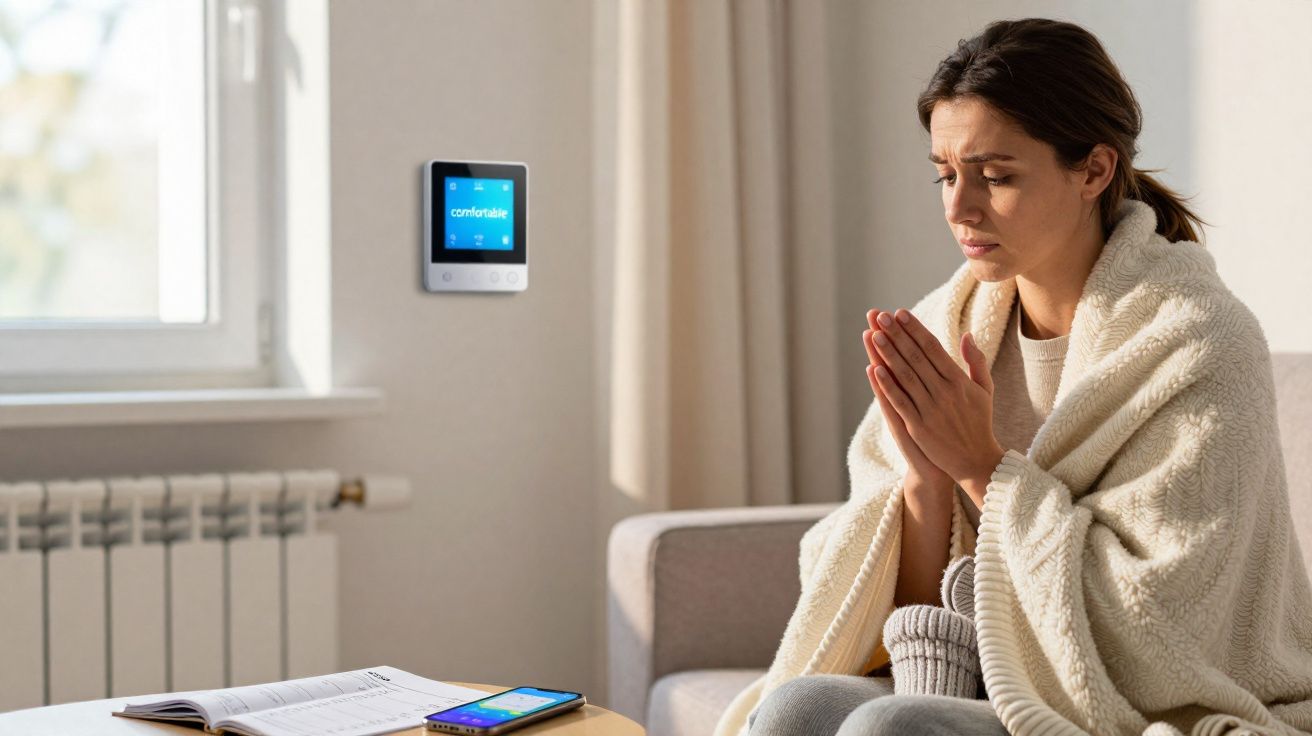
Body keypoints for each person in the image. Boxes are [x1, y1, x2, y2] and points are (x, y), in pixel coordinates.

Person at [717, 17, 1312, 736]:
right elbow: (904, 620)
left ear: (1093, 170)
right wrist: (925, 481)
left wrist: (980, 467)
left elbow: (1165, 627)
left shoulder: (1197, 343)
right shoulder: (949, 323)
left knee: (890, 728)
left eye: (995, 177)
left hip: (1128, 702)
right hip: (972, 671)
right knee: (796, 706)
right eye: (945, 174)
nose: (959, 209)